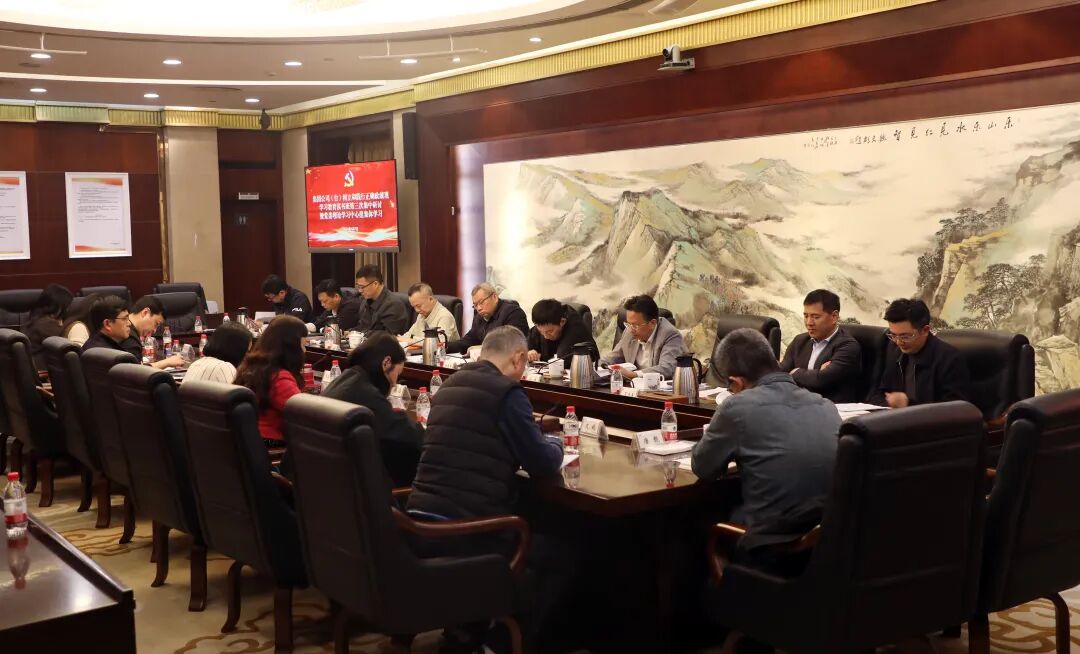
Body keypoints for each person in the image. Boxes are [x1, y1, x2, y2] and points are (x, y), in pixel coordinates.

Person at [407, 326, 567, 652]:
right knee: (562, 550)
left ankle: (465, 631)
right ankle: (501, 643)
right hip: (468, 532)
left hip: (418, 522)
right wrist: (556, 443)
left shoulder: (449, 384)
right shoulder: (507, 393)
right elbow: (542, 462)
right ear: (518, 358)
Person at [692, 328, 840, 573]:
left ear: (736, 382)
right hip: (825, 544)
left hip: (774, 546)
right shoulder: (824, 404)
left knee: (694, 520)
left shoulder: (737, 407)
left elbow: (703, 468)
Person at [321, 332, 424, 487]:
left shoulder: (346, 379)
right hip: (353, 488)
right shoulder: (363, 392)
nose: (395, 384)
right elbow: (409, 436)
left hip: (329, 482)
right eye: (397, 374)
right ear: (386, 363)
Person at [869, 298, 971, 408]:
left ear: (925, 330)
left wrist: (907, 405)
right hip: (896, 417)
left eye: (905, 336)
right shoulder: (893, 349)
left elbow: (955, 410)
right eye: (893, 335)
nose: (899, 342)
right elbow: (877, 395)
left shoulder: (950, 359)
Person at [234, 315, 308, 446]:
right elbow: (304, 414)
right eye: (303, 345)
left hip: (249, 440)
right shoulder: (280, 377)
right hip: (272, 443)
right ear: (291, 348)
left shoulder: (250, 367)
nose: (305, 351)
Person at [779, 289, 863, 403]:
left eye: (815, 317)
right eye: (806, 316)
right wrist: (815, 375)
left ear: (834, 316)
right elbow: (779, 375)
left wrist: (795, 372)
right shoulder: (800, 341)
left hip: (833, 408)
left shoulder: (848, 346)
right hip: (799, 405)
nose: (809, 322)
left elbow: (822, 380)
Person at [82, 295, 184, 370]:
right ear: (107, 324)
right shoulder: (112, 356)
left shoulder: (91, 345)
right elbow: (138, 376)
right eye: (124, 319)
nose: (129, 323)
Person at [600, 295, 686, 379]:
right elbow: (612, 358)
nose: (631, 329)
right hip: (633, 386)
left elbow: (667, 368)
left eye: (635, 325)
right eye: (628, 324)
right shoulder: (629, 330)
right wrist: (595, 367)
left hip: (660, 387)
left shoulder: (670, 335)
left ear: (652, 323)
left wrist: (634, 375)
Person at [445, 282, 529, 354]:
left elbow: (510, 344)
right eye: (475, 305)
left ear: (494, 297)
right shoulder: (479, 317)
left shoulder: (513, 313)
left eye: (481, 302)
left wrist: (480, 348)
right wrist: (444, 346)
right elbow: (468, 341)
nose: (478, 308)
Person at [526, 299, 599, 365]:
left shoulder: (575, 328)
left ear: (562, 322)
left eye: (550, 331)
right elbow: (525, 349)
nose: (545, 336)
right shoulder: (541, 326)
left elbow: (562, 361)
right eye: (541, 332)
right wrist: (529, 354)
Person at [182, 322, 253, 384]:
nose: (247, 356)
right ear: (237, 349)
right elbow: (237, 395)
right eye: (247, 351)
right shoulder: (225, 368)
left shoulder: (196, 363)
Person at [24, 284, 74, 369]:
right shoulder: (47, 324)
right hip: (42, 370)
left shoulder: (36, 319)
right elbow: (67, 345)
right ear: (58, 307)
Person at [353, 264, 409, 335]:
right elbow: (362, 327)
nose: (360, 290)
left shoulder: (393, 305)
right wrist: (350, 333)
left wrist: (361, 335)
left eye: (362, 287)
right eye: (358, 286)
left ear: (375, 284)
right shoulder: (365, 301)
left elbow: (387, 336)